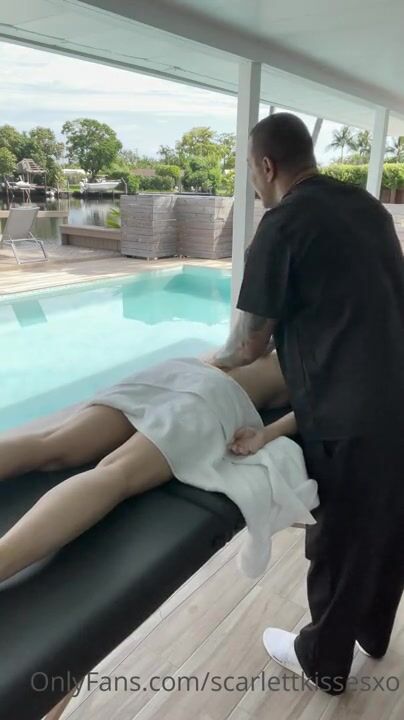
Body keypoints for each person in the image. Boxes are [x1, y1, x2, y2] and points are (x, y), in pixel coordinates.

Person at [209, 112, 404, 694]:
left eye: (250, 170)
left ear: (266, 166)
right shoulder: (367, 207)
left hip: (350, 418)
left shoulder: (282, 224)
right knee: (388, 524)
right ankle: (372, 631)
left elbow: (249, 343)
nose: (252, 182)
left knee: (338, 540)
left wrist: (211, 365)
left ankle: (322, 659)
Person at [0, 350, 297, 585]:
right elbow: (311, 413)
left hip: (184, 370)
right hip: (217, 394)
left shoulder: (286, 316)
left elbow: (243, 346)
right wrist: (264, 434)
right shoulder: (319, 351)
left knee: (50, 443)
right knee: (116, 473)